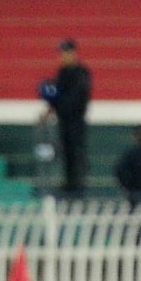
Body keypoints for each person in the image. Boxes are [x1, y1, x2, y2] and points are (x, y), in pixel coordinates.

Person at [40, 38, 91, 197]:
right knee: (66, 151)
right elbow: (58, 92)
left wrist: (60, 104)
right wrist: (51, 107)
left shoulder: (81, 73)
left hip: (75, 119)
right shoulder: (62, 72)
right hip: (64, 120)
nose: (63, 56)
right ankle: (69, 182)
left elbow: (77, 97)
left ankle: (78, 183)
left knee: (76, 151)